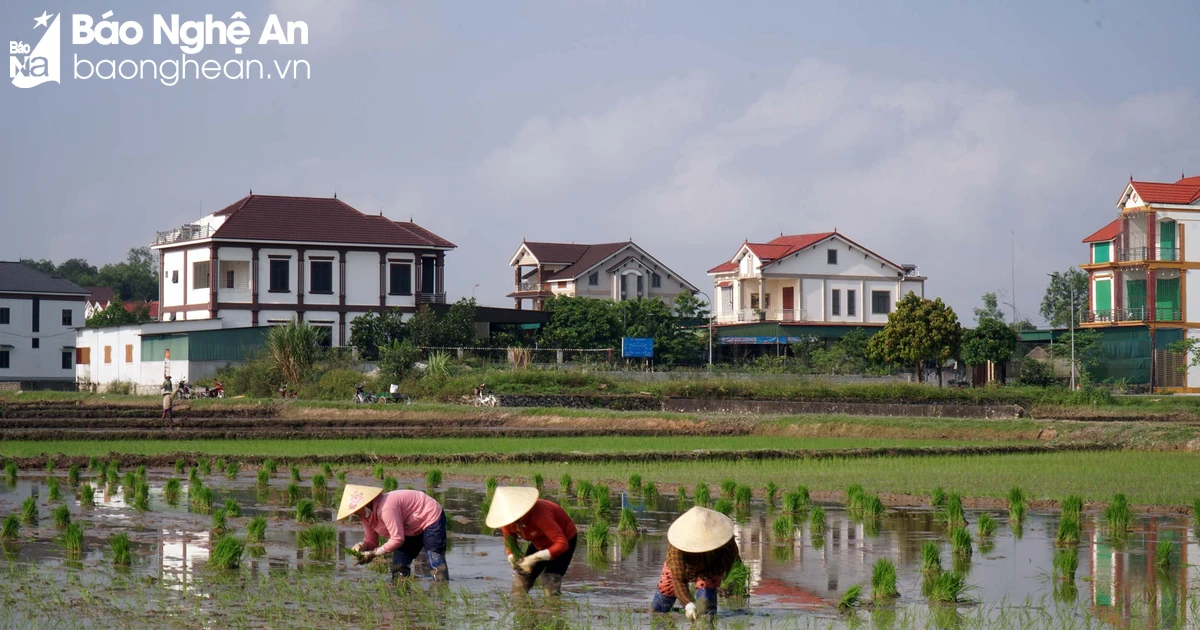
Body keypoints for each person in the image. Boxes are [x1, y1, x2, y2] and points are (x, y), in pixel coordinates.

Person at [337, 485, 449, 582]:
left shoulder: (386, 508)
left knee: (434, 556)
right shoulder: (365, 516)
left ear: (365, 504)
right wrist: (362, 546)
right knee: (399, 564)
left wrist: (374, 553)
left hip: (429, 516)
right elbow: (372, 541)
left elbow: (397, 539)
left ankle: (440, 589)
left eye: (356, 510)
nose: (355, 514)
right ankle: (400, 591)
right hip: (409, 527)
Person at [652, 506, 742, 620]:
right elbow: (678, 580)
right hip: (683, 569)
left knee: (706, 611)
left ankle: (706, 621)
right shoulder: (677, 548)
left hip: (711, 569)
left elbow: (735, 564)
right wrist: (688, 605)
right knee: (660, 610)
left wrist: (730, 584)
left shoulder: (726, 540)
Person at [485, 486, 577, 596]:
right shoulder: (507, 520)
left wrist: (533, 558)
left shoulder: (541, 513)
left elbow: (561, 544)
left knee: (550, 580)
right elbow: (510, 542)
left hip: (564, 540)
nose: (514, 523)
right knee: (521, 580)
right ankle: (521, 609)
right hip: (539, 542)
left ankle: (554, 608)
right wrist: (512, 557)